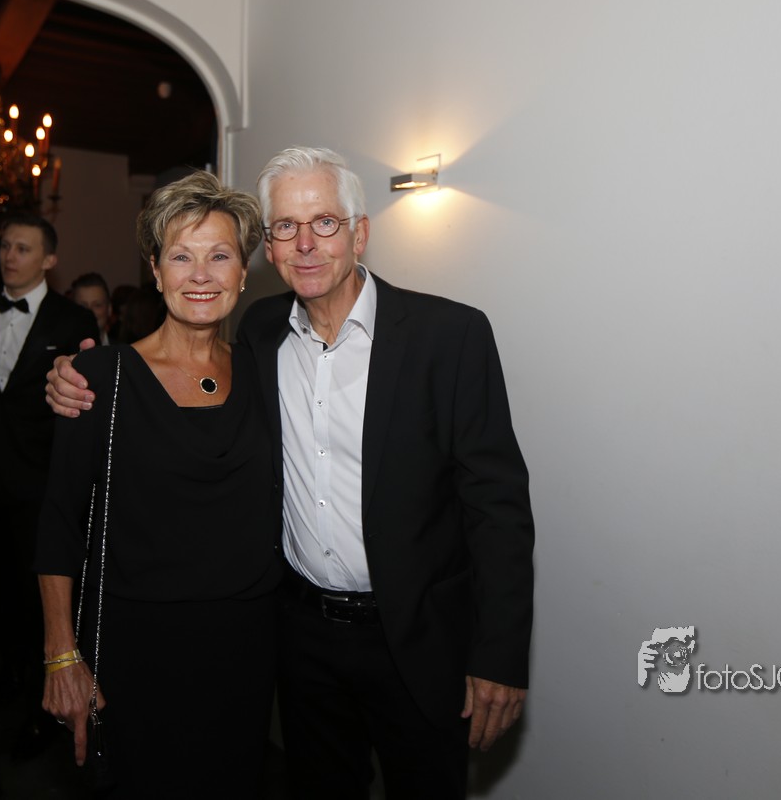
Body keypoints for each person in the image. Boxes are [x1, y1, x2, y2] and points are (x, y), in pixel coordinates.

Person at [46, 147, 534, 799]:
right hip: (298, 643)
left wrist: (498, 654)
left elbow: (498, 508)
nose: (305, 244)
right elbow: (72, 508)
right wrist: (69, 378)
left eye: (325, 222)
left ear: (359, 233)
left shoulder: (448, 336)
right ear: (270, 251)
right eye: (285, 227)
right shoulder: (263, 335)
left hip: (415, 639)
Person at [35, 171, 280, 796]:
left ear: (243, 273)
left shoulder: (266, 370)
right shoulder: (99, 376)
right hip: (135, 647)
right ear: (154, 269)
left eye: (219, 256)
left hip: (246, 646)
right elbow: (59, 521)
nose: (201, 274)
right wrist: (61, 654)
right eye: (181, 256)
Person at [0, 214, 97, 754]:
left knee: (41, 591)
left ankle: (41, 692)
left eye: (23, 248)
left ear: (49, 260)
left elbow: (86, 401)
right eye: (6, 246)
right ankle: (11, 663)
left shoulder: (73, 318)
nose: (10, 256)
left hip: (43, 476)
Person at [68, 272, 113, 345]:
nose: (90, 311)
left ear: (109, 309)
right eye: (83, 306)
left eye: (97, 305)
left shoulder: (122, 350)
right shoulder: (63, 351)